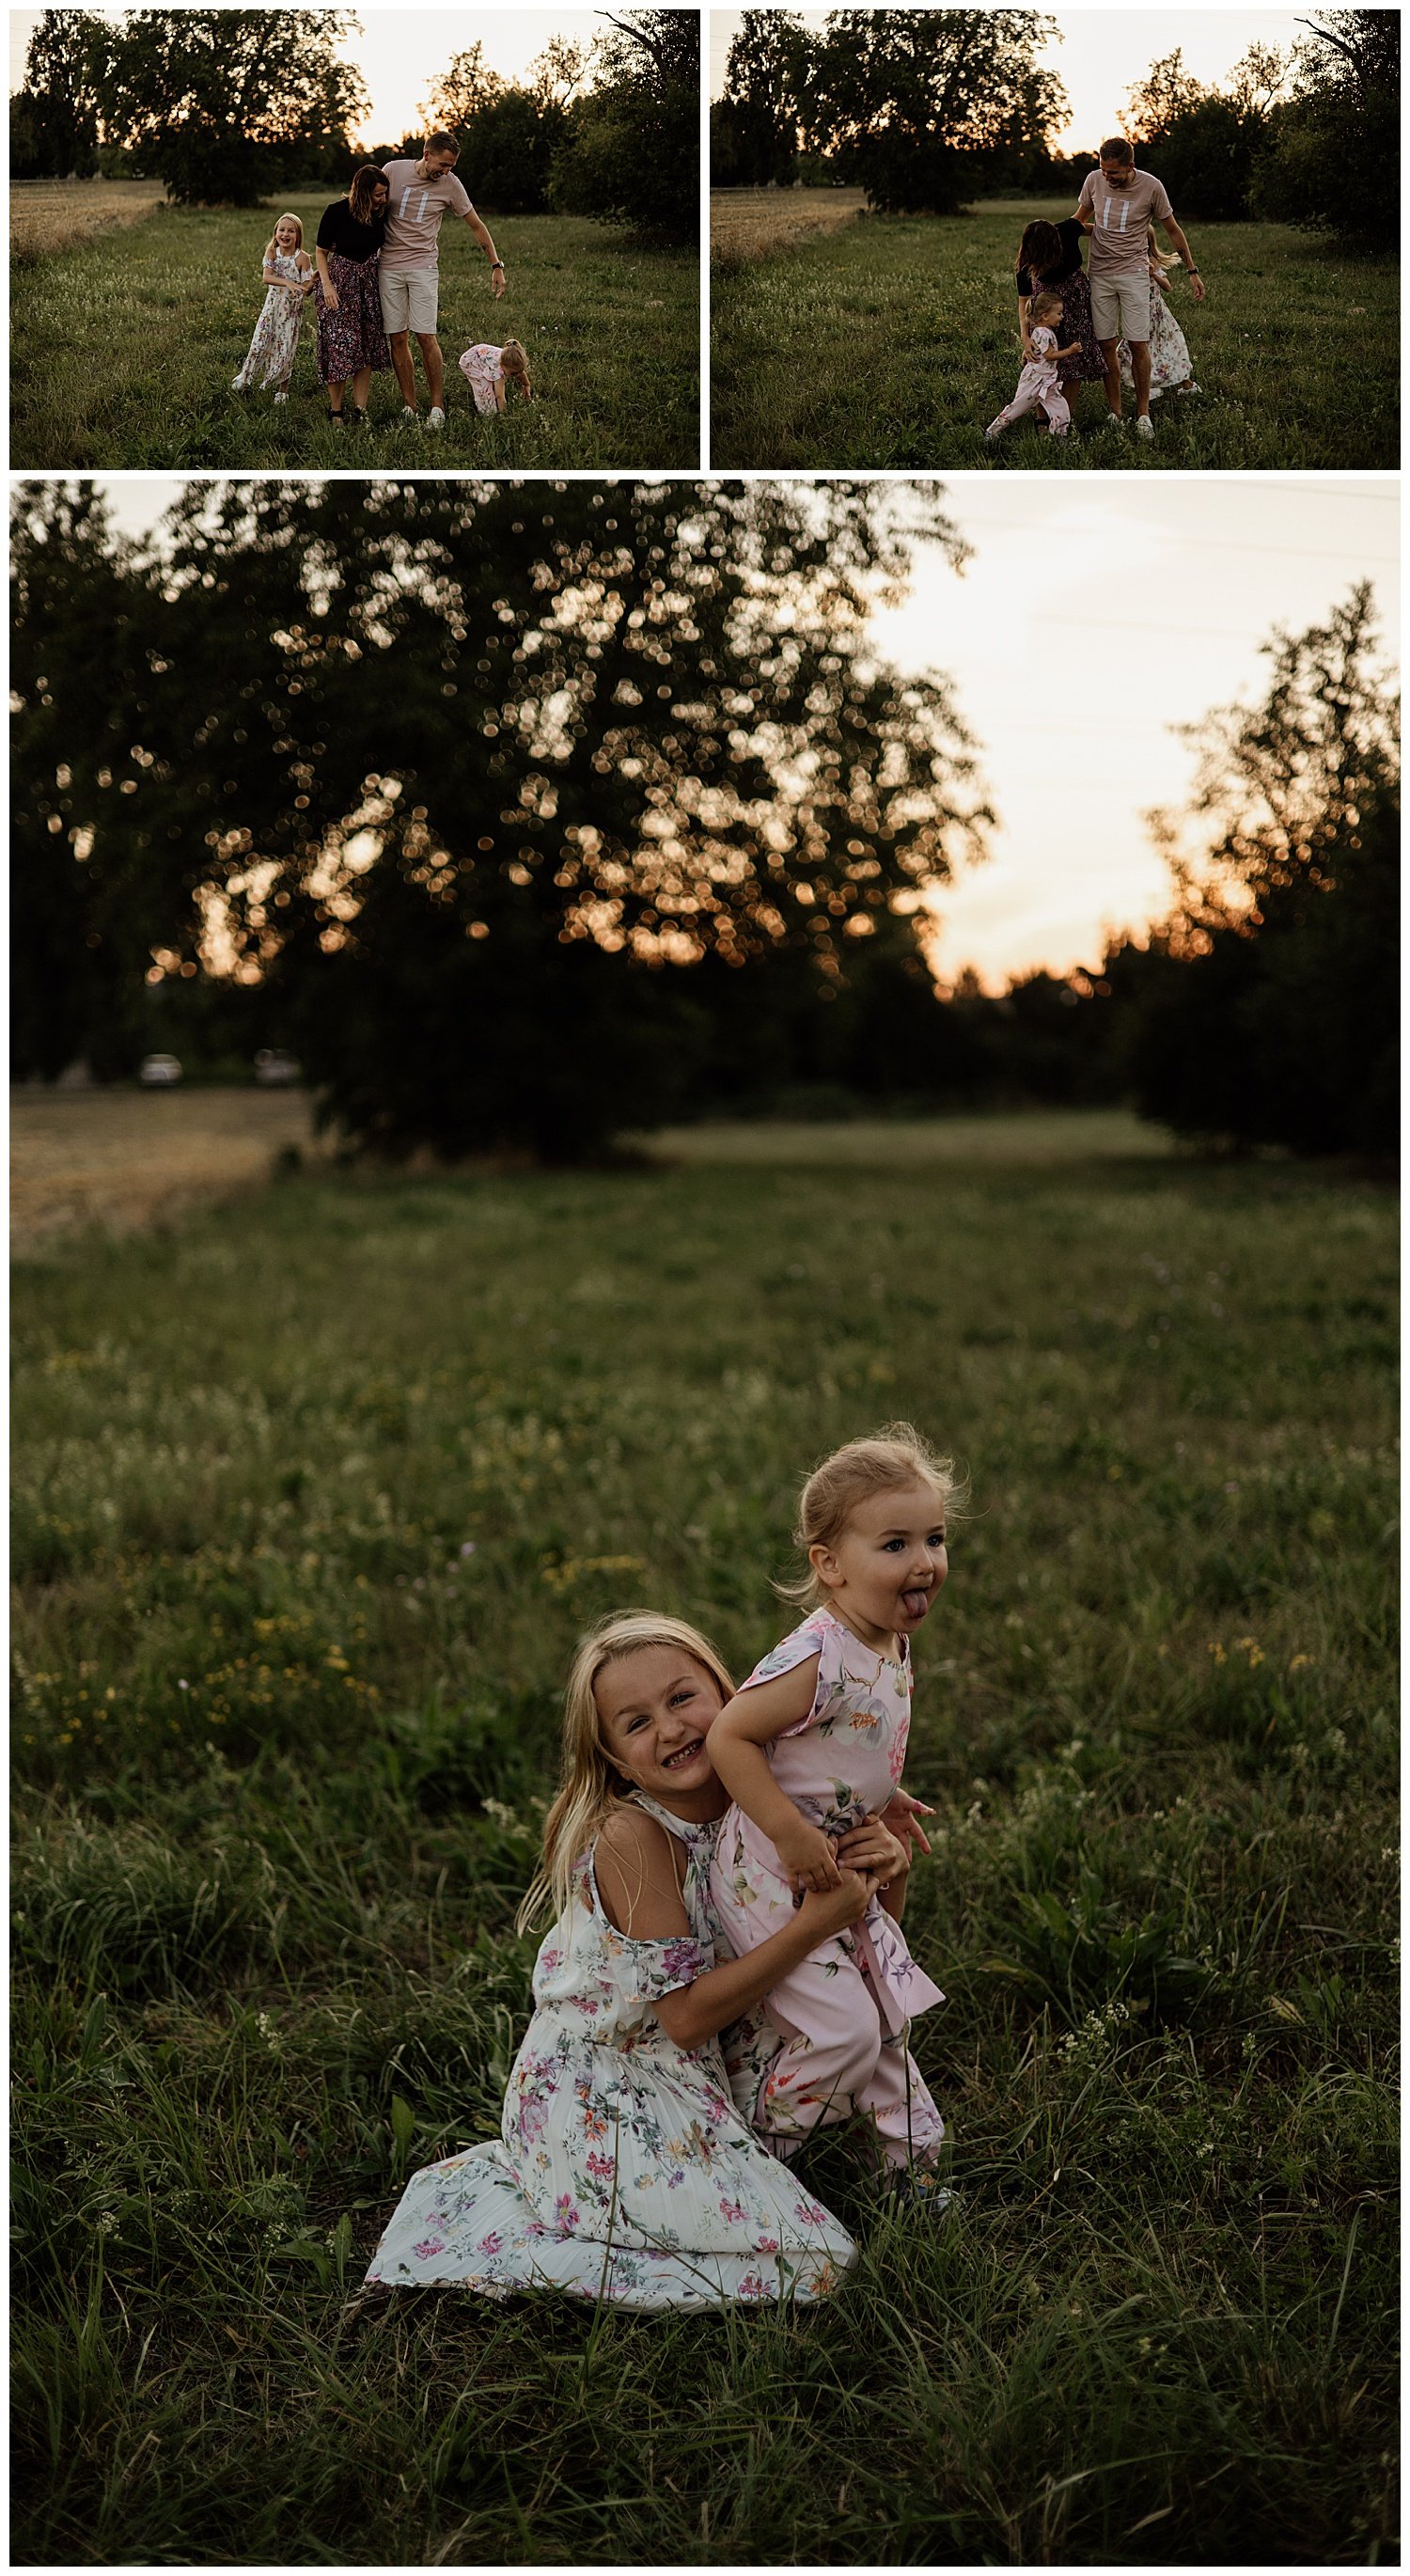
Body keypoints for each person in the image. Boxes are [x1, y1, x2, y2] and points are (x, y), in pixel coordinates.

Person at [361, 1612, 906, 2309]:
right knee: (808, 2265)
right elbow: (680, 2019)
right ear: (617, 1760)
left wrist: (886, 1871)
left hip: (719, 2042)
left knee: (845, 2033)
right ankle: (724, 2171)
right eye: (637, 1723)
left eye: (683, 1699)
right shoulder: (633, 1835)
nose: (672, 1729)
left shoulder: (778, 1803)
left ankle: (768, 2158)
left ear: (734, 1694)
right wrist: (810, 1926)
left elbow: (865, 1963)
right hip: (614, 2082)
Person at [706, 1427, 953, 2200]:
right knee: (843, 2028)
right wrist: (790, 1828)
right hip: (773, 1873)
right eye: (895, 1544)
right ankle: (757, 2157)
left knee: (882, 2011)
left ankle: (903, 2172)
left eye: (935, 1539)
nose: (923, 1562)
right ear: (830, 1566)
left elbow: (838, 1747)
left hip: (837, 1851)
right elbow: (732, 1734)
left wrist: (881, 1797)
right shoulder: (819, 1655)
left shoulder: (887, 1639)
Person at [1075, 135, 1207, 441]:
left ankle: (1143, 414)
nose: (1107, 177)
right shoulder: (1093, 180)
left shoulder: (1152, 187)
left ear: (1130, 166)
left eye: (1114, 173)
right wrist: (1048, 239)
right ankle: (1115, 412)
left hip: (1134, 275)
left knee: (1138, 345)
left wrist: (1192, 271)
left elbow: (1173, 229)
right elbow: (1078, 220)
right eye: (1103, 170)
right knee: (1106, 344)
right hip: (1100, 275)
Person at [378, 132, 507, 432]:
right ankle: (409, 405)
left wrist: (495, 264)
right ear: (427, 155)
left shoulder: (451, 185)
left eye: (451, 166)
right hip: (389, 267)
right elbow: (367, 207)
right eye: (443, 164)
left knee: (426, 336)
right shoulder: (393, 170)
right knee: (397, 337)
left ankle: (437, 406)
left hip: (423, 267)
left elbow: (476, 225)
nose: (446, 171)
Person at [313, 165, 391, 430]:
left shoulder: (380, 214)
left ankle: (361, 410)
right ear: (363, 192)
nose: (383, 199)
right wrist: (327, 286)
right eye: (378, 194)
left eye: (385, 194)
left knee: (365, 349)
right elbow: (321, 251)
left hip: (368, 286)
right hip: (339, 285)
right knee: (339, 348)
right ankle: (336, 410)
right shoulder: (336, 211)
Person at [1011, 215, 1104, 408]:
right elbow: (1024, 301)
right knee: (1040, 359)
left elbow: (1100, 231)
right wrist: (1025, 337)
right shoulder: (1027, 262)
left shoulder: (1069, 229)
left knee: (1073, 358)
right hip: (1045, 305)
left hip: (1076, 304)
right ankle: (1043, 417)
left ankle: (1065, 415)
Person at [231, 212, 314, 404]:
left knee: (285, 350)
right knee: (259, 343)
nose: (285, 234)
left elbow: (306, 291)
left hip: (291, 312)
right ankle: (246, 376)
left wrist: (313, 280)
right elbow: (266, 277)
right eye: (282, 230)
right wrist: (287, 282)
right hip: (271, 309)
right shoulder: (272, 252)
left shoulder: (303, 258)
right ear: (275, 232)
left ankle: (282, 391)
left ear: (298, 235)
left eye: (291, 231)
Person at [985, 293, 1079, 442]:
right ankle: (992, 431)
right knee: (1018, 407)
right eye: (1059, 313)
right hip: (1035, 379)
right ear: (1046, 316)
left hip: (1047, 380)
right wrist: (1070, 351)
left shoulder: (1043, 331)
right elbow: (1049, 355)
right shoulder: (1043, 333)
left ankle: (1059, 437)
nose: (1062, 317)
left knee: (1060, 408)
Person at [1120, 229, 1200, 401]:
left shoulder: (1152, 261)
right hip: (1137, 313)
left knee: (1165, 349)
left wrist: (1154, 274)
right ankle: (1149, 386)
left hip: (1156, 315)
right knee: (1138, 350)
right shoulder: (1129, 262)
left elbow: (1168, 287)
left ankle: (1187, 385)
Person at [459, 338, 533, 415]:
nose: (517, 375)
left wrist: (526, 384)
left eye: (519, 371)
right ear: (503, 366)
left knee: (493, 380)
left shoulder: (509, 358)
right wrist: (504, 414)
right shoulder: (499, 372)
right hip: (470, 362)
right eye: (513, 374)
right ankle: (487, 413)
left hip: (480, 353)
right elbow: (500, 397)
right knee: (484, 390)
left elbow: (520, 372)